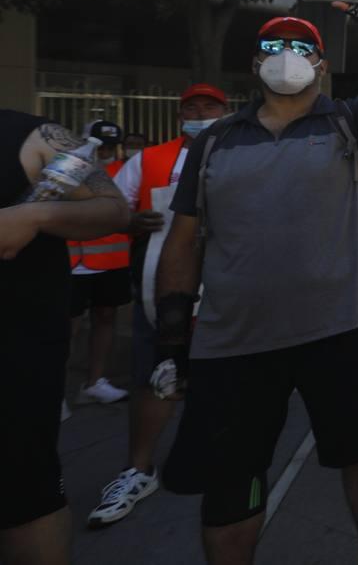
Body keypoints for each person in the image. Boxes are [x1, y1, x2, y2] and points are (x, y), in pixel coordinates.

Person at [154, 0, 358, 565]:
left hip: (345, 329)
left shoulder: (347, 121)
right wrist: (171, 342)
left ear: (321, 65)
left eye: (302, 47)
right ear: (255, 66)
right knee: (231, 482)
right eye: (274, 48)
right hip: (236, 345)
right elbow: (181, 244)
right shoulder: (215, 141)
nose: (288, 57)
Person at [86, 83, 230, 528]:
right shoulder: (147, 160)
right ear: (178, 114)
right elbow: (108, 207)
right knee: (156, 372)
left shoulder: (241, 153)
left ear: (225, 113)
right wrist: (129, 221)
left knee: (228, 377)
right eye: (191, 105)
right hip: (161, 288)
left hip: (229, 286)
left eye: (209, 105)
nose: (199, 111)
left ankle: (222, 462)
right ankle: (138, 469)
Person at [1, 112, 130, 565]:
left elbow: (114, 207)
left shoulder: (32, 135)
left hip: (14, 371)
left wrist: (35, 215)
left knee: (27, 504)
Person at [67, 120, 133, 407]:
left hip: (111, 261)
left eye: (110, 146)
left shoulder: (124, 171)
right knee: (68, 327)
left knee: (106, 319)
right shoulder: (68, 169)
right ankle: (54, 393)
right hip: (72, 263)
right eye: (99, 144)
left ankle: (95, 382)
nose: (104, 150)